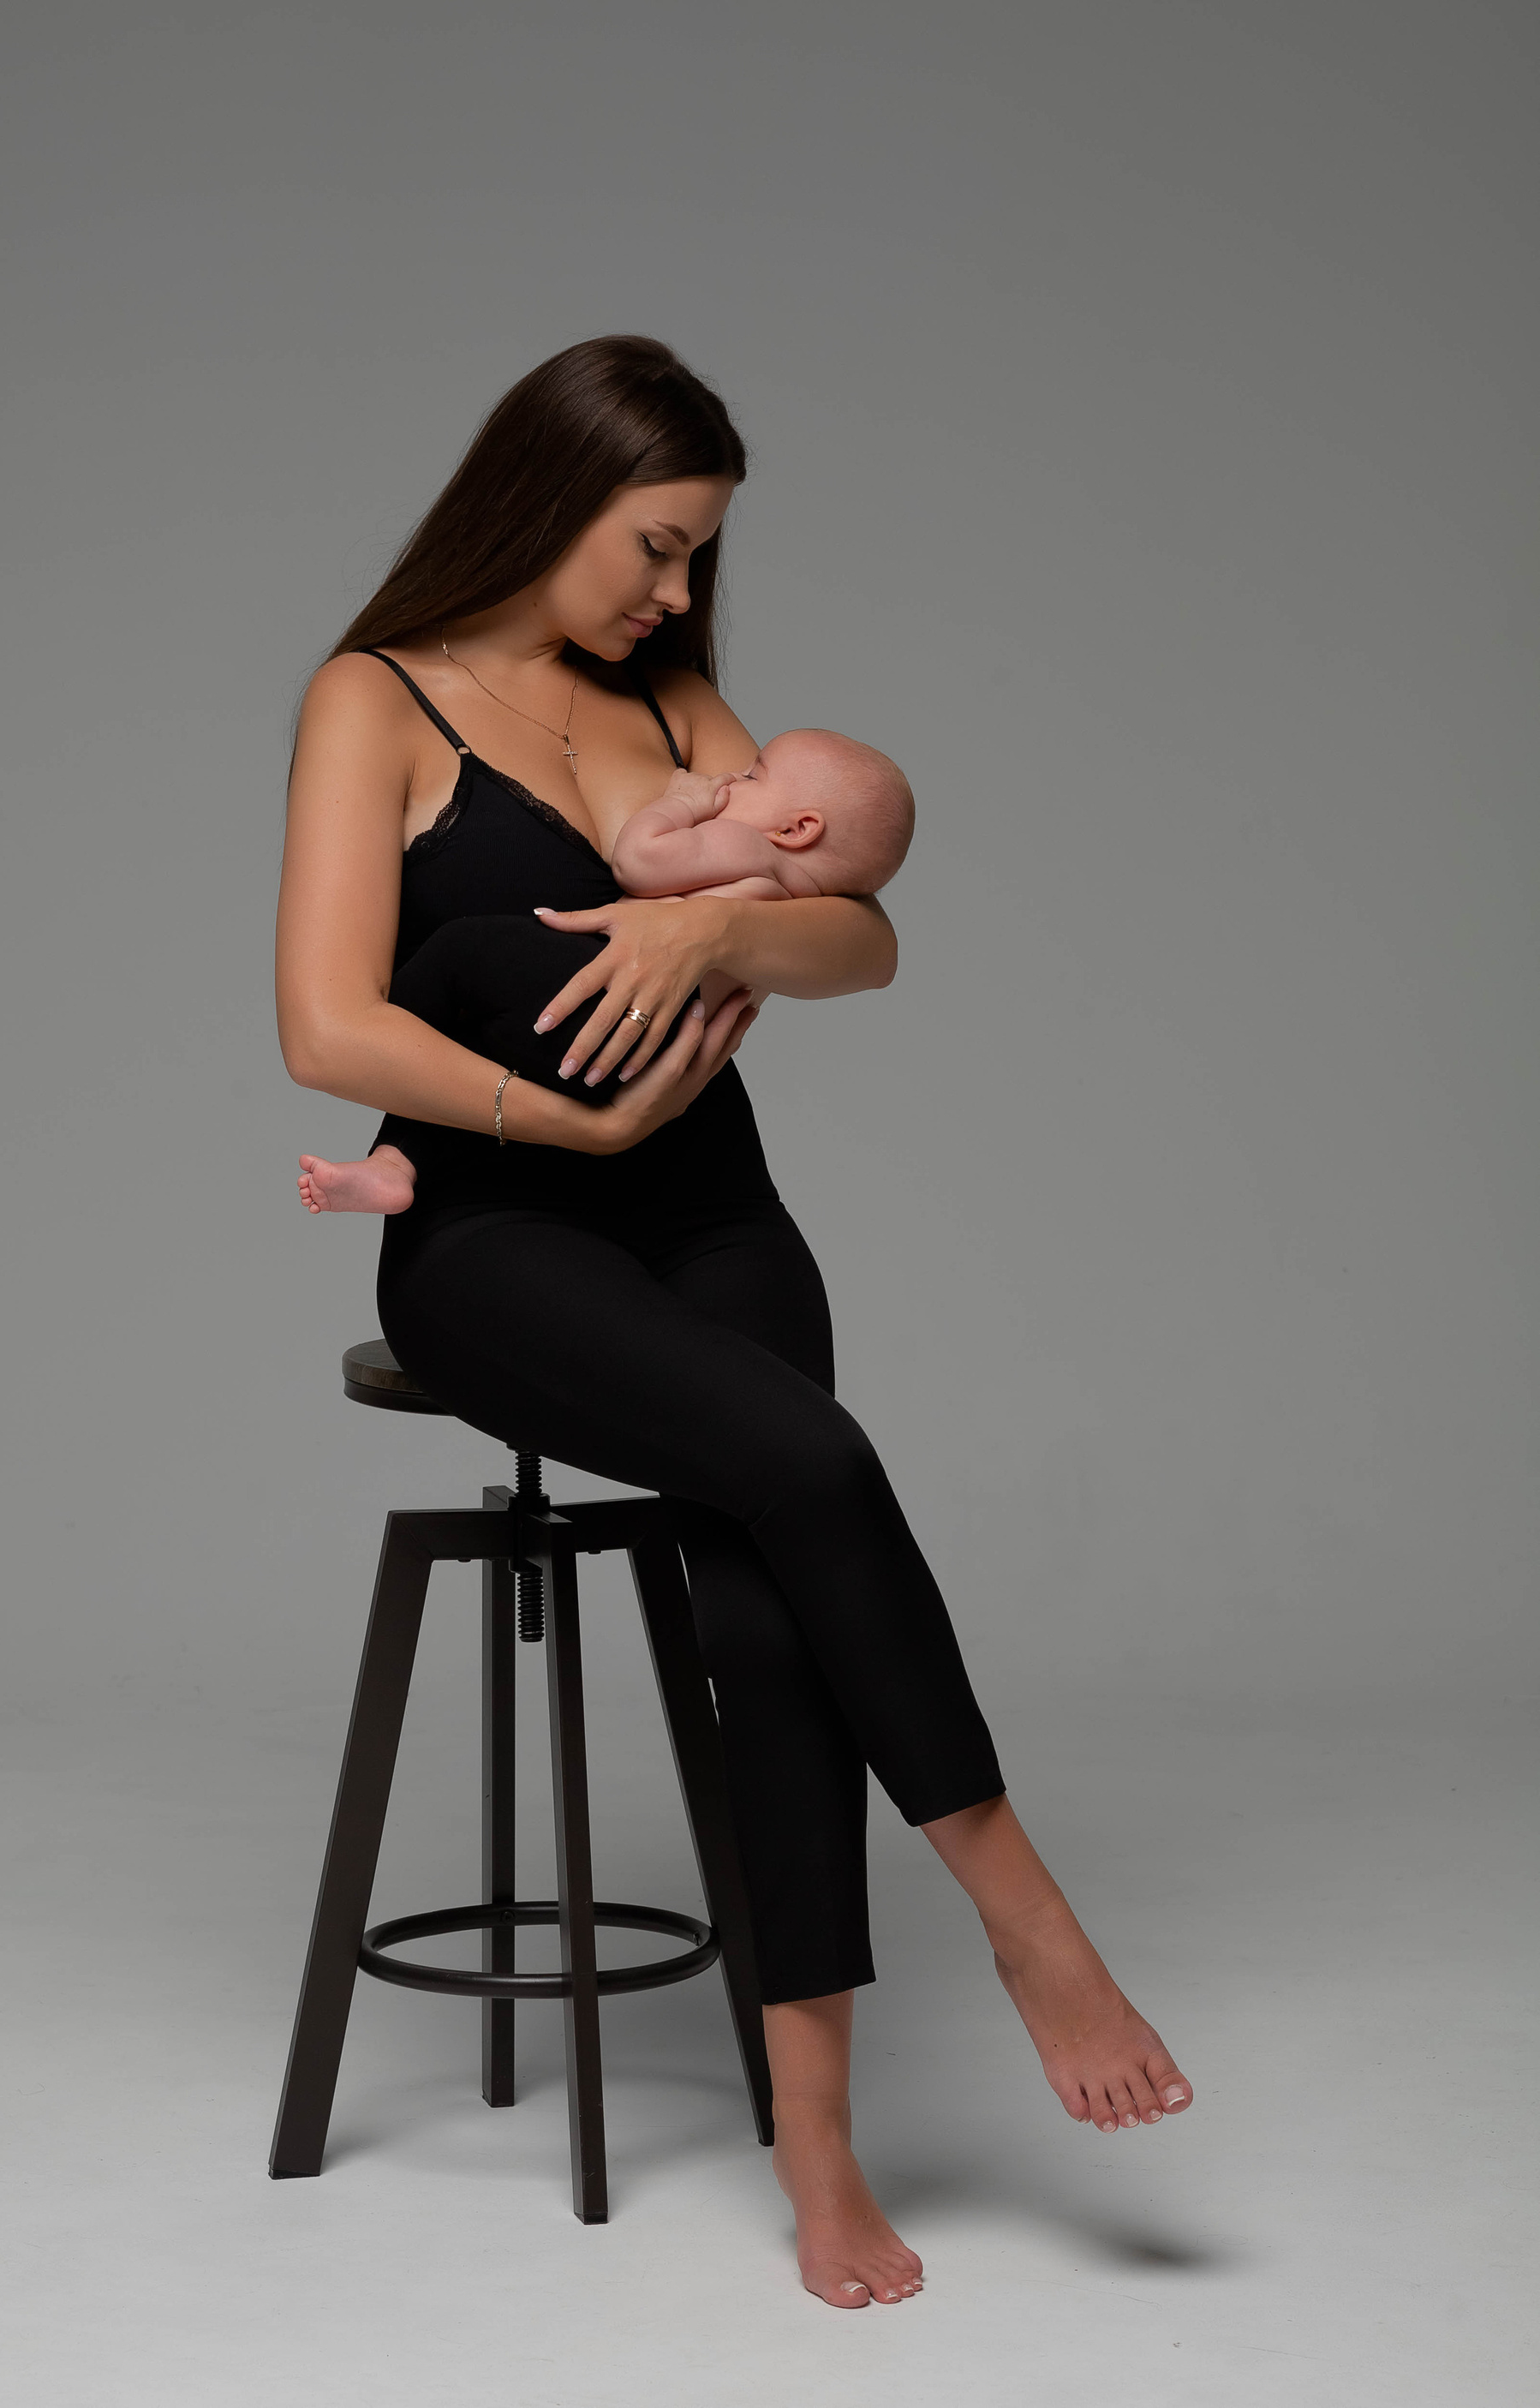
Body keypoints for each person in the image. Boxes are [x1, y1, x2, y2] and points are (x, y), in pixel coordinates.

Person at [274, 333, 1192, 2310]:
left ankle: (818, 2145)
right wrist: (574, 1119)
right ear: (549, 500)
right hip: (497, 1225)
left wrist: (708, 920)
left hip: (711, 1209)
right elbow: (326, 1025)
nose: (681, 590)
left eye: (698, 554)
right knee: (814, 1458)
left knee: (768, 1608)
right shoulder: (379, 699)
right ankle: (1028, 1915)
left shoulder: (676, 699)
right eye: (660, 544)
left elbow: (858, 931)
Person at [295, 729, 916, 1216]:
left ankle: (387, 1045)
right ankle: (396, 1164)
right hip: (650, 1053)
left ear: (798, 829)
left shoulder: (751, 848)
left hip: (604, 1000)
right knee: (488, 1055)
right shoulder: (794, 901)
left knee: (462, 955)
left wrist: (681, 803)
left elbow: (640, 863)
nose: (730, 782)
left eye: (753, 776)